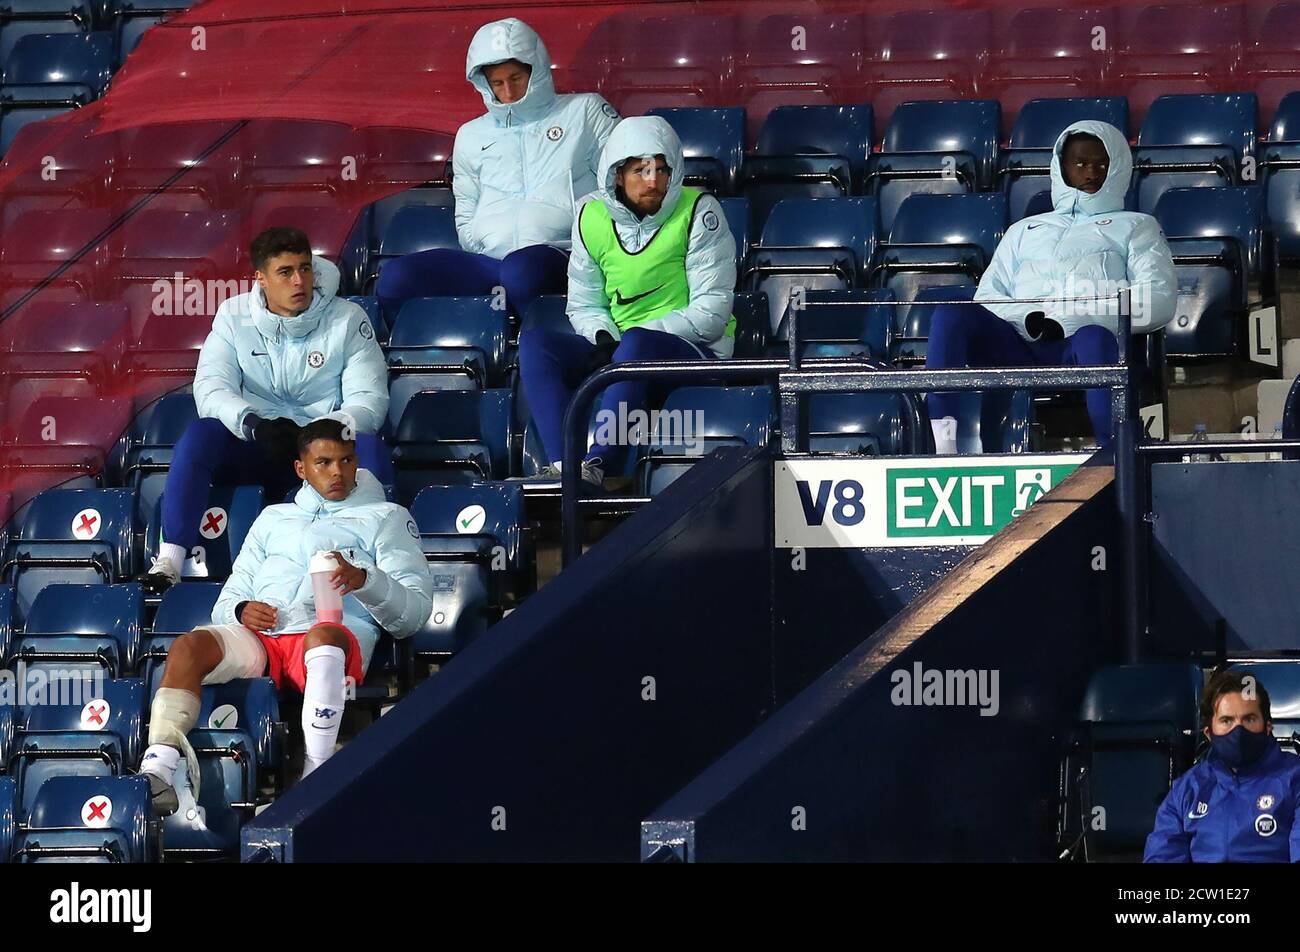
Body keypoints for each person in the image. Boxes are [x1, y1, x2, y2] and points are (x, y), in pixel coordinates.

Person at [139, 419, 433, 814]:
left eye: (346, 461)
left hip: (331, 638)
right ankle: (158, 767)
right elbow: (230, 597)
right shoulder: (272, 518)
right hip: (263, 637)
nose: (337, 473)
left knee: (324, 637)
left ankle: (317, 773)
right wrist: (242, 611)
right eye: (324, 463)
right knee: (189, 646)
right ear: (301, 469)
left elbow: (414, 614)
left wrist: (366, 580)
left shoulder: (388, 518)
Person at [137, 227, 392, 594]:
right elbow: (211, 387)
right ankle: (170, 560)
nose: (299, 281)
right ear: (260, 278)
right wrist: (253, 424)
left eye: (305, 269)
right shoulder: (232, 315)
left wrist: (317, 435)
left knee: (369, 446)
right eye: (285, 272)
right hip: (258, 441)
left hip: (321, 448)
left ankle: (381, 564)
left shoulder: (348, 319)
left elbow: (369, 400)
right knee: (200, 434)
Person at [925, 120, 1176, 453]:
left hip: (1080, 347)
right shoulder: (1022, 230)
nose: (1091, 173)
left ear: (1118, 168)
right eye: (1081, 163)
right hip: (1018, 344)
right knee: (949, 316)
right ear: (1062, 167)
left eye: (1102, 164)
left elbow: (1157, 299)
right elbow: (987, 296)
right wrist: (1028, 315)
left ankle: (1113, 455)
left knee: (1094, 338)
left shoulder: (1137, 227)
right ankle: (942, 446)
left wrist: (1080, 314)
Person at [516, 115, 737, 487]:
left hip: (695, 352)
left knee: (636, 342)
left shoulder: (700, 210)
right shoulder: (591, 214)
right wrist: (603, 337)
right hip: (620, 349)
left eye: (661, 170)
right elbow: (584, 303)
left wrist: (629, 341)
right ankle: (564, 468)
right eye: (640, 171)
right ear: (617, 175)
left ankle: (601, 465)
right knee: (537, 343)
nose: (652, 181)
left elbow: (711, 313)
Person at [375, 17, 620, 321]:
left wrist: (579, 233)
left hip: (564, 255)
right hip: (492, 262)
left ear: (537, 69)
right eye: (497, 82)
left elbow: (620, 188)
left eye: (516, 78)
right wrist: (483, 240)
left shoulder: (584, 111)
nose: (508, 91)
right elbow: (465, 211)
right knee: (396, 278)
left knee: (522, 269)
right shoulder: (470, 134)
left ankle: (550, 342)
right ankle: (431, 357)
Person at [1144, 670, 1300, 862]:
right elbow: (1163, 857)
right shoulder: (1187, 789)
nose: (1238, 730)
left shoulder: (1295, 778)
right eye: (1227, 721)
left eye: (1249, 719)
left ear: (1268, 726)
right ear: (1209, 732)